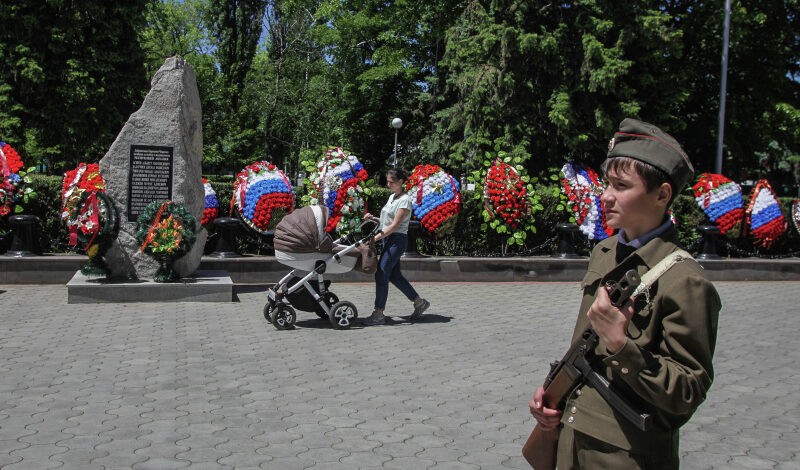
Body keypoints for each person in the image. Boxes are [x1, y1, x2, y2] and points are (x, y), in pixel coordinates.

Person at [528, 118, 721, 469]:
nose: (605, 195)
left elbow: (688, 391)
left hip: (626, 454)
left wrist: (621, 346)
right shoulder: (604, 250)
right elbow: (585, 343)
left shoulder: (685, 280)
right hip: (571, 434)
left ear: (662, 194)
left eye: (620, 185)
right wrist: (553, 390)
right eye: (606, 184)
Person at [360, 168, 430, 326]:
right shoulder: (392, 197)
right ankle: (419, 303)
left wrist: (374, 239)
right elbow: (387, 221)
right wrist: (373, 218)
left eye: (391, 181)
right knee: (394, 275)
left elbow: (394, 226)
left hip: (396, 240)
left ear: (400, 182)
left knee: (382, 273)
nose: (388, 183)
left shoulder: (405, 200)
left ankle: (378, 313)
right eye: (388, 180)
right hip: (388, 239)